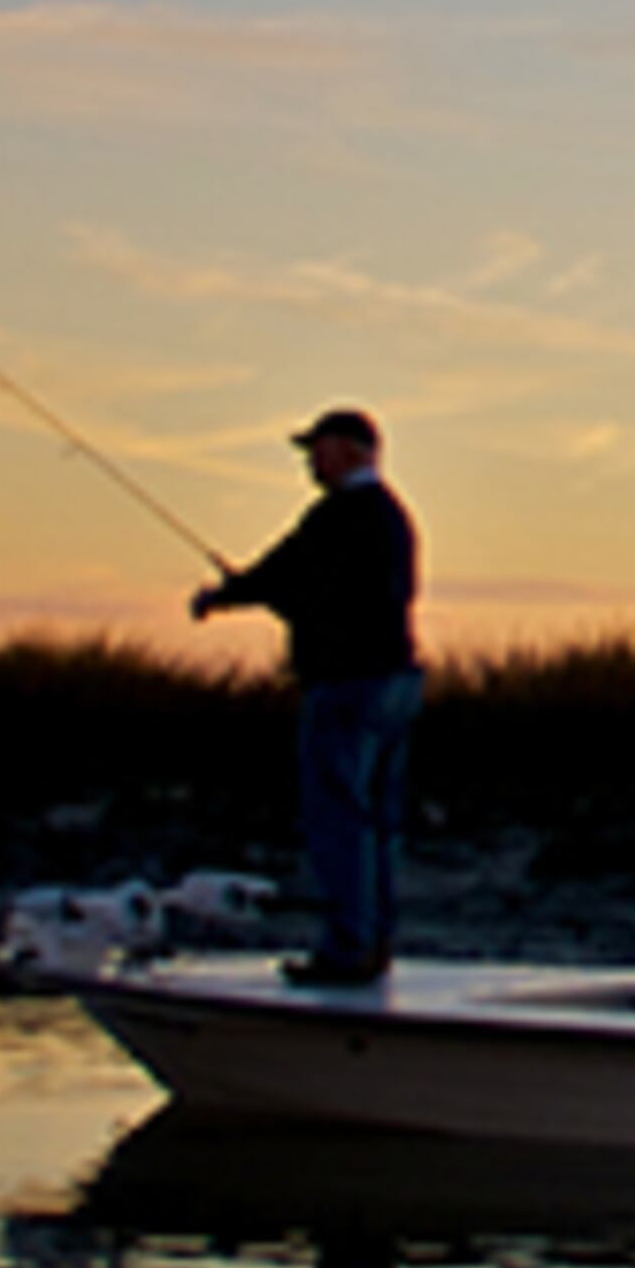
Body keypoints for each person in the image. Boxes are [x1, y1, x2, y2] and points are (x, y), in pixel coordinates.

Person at [192, 409, 423, 986]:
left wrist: (224, 596)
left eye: (316, 450)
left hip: (348, 685)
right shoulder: (393, 519)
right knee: (376, 822)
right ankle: (375, 940)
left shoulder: (340, 515)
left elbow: (286, 573)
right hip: (394, 681)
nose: (309, 463)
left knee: (339, 818)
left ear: (350, 449)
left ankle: (348, 949)